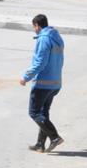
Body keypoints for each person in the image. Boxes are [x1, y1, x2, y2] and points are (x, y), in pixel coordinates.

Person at [19, 14, 65, 152]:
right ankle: (40, 144)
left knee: (34, 112)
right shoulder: (57, 37)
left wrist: (26, 77)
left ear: (37, 25)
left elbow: (40, 62)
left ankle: (55, 137)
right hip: (55, 82)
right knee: (43, 113)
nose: (34, 29)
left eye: (34, 27)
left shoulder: (44, 39)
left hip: (43, 84)